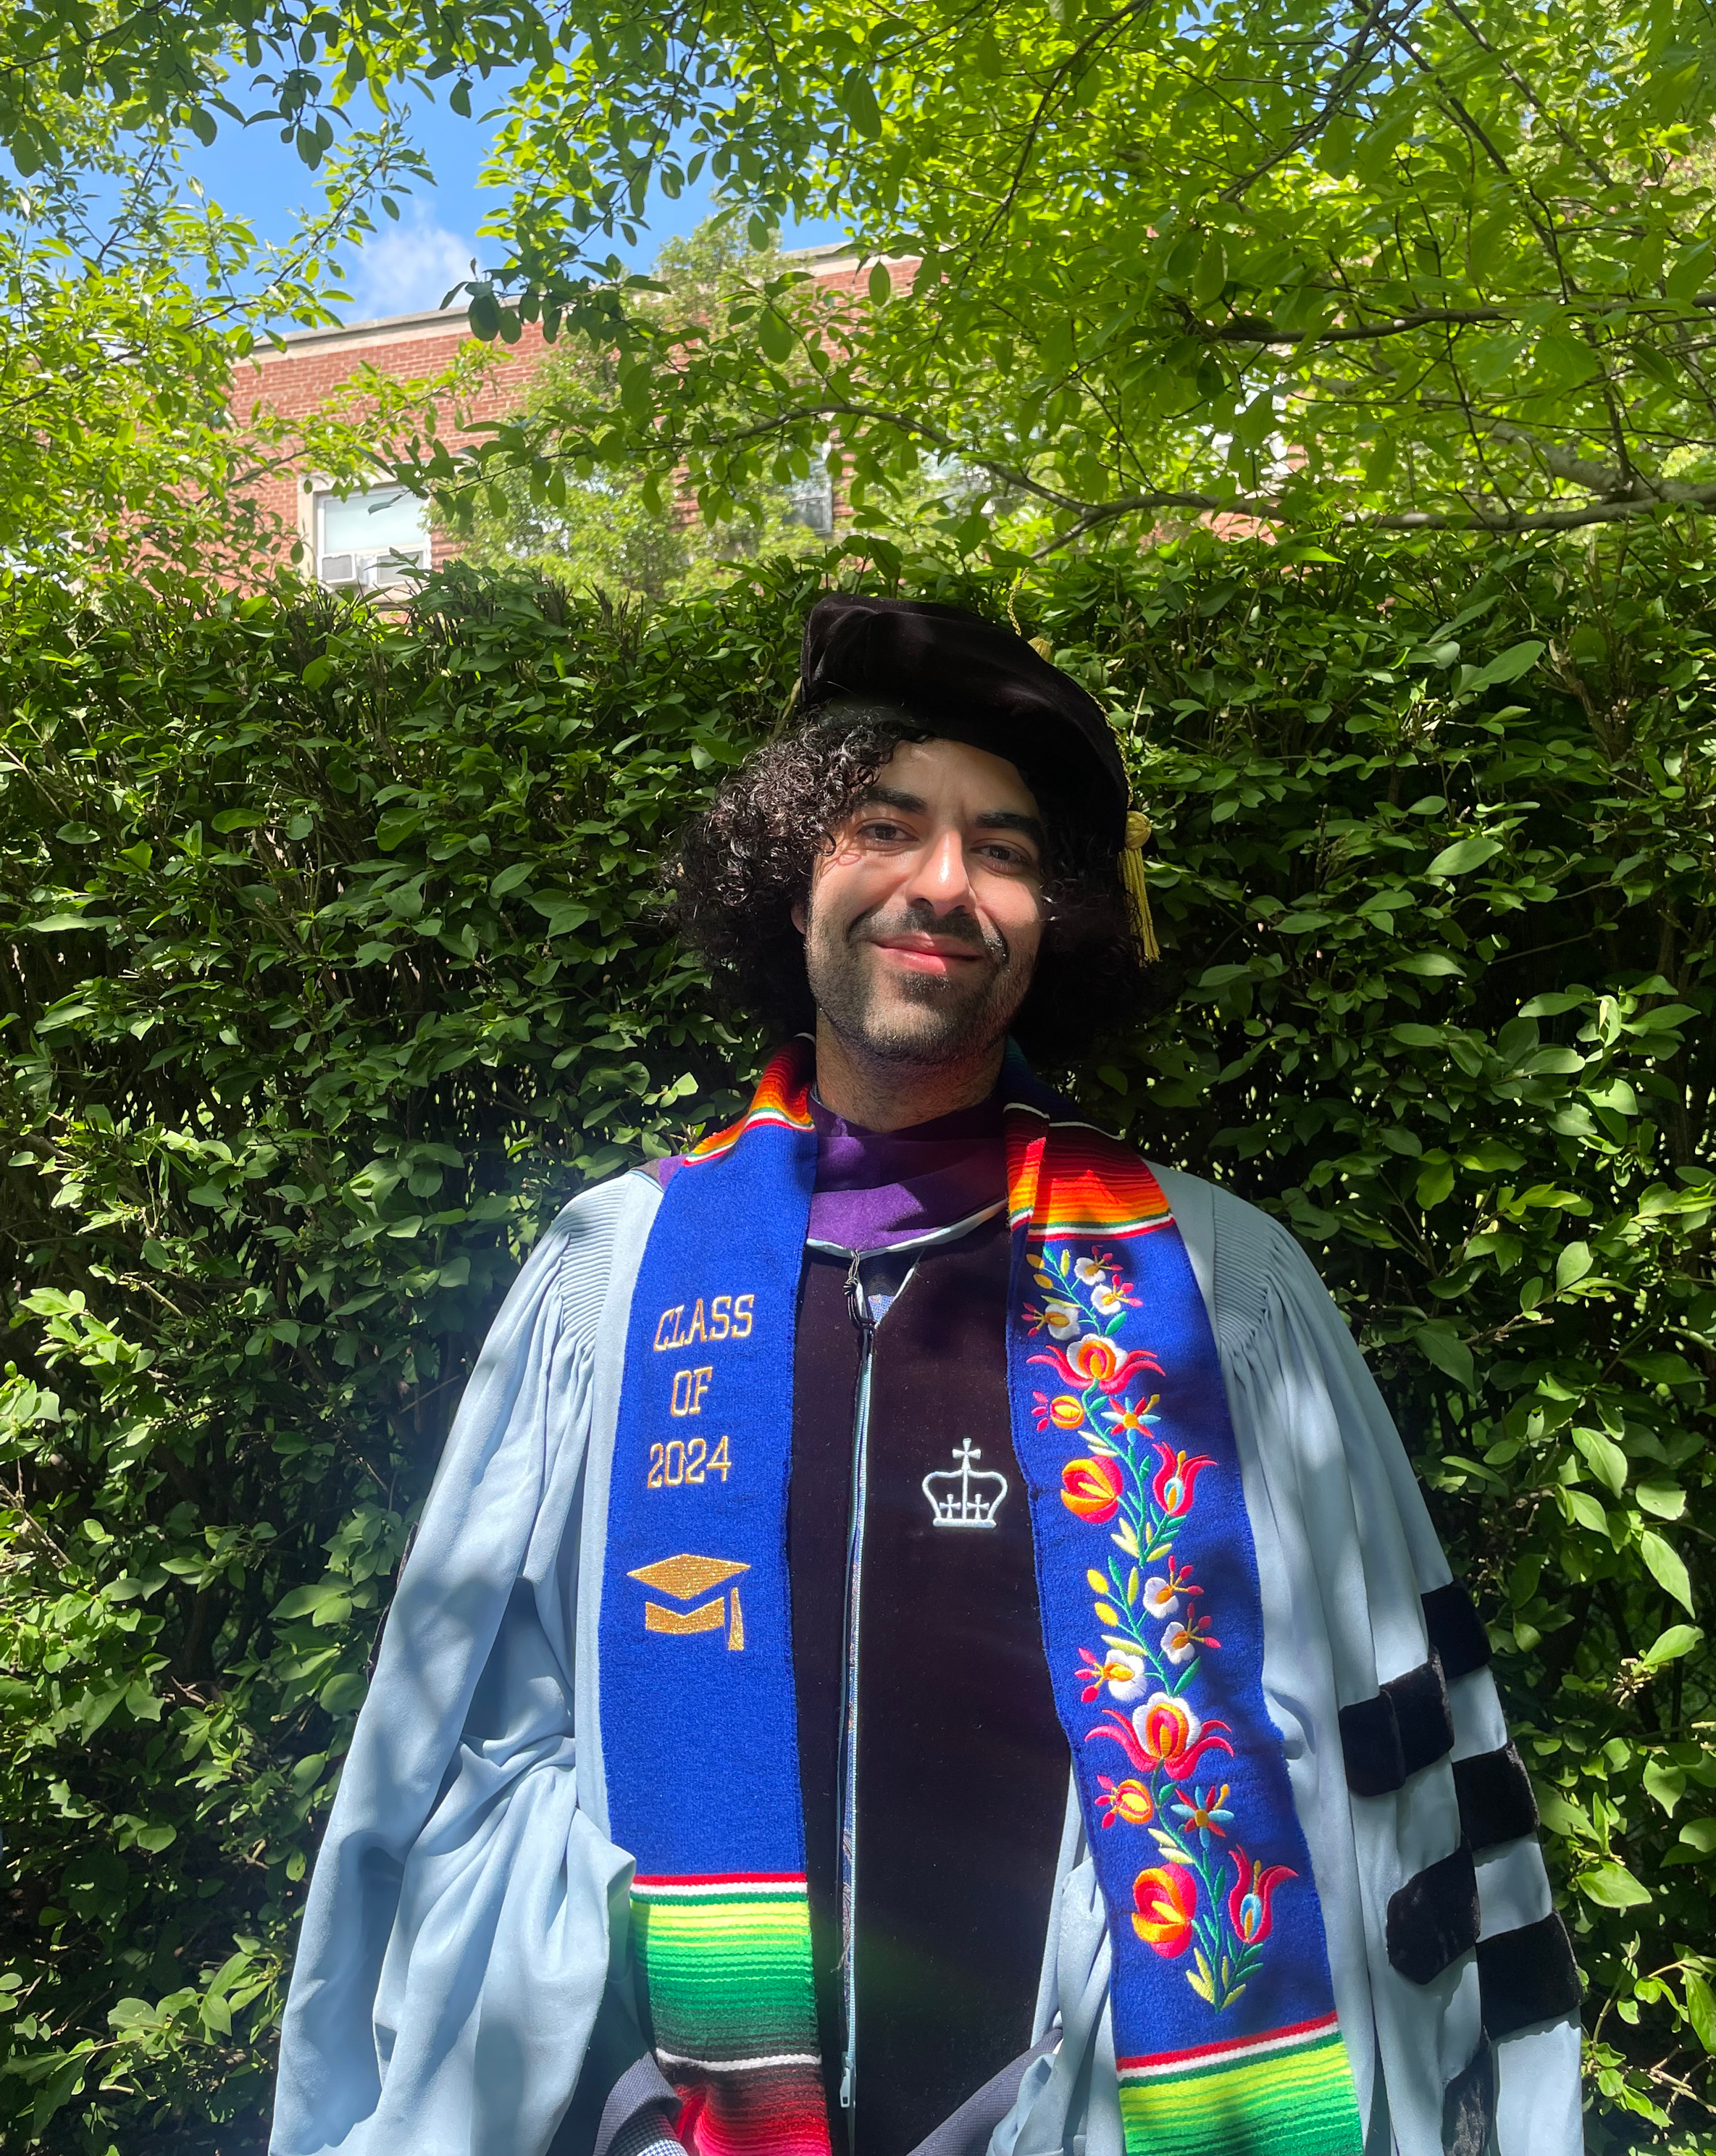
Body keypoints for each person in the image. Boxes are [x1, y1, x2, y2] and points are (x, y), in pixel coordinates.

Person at [269, 596, 1583, 2156]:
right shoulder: (615, 1277)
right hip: (668, 2110)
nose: (943, 885)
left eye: (1006, 849)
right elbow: (470, 1737)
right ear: (794, 871)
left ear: (1057, 918)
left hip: (1085, 2109)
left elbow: (1381, 1768)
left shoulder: (1217, 1291)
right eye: (884, 825)